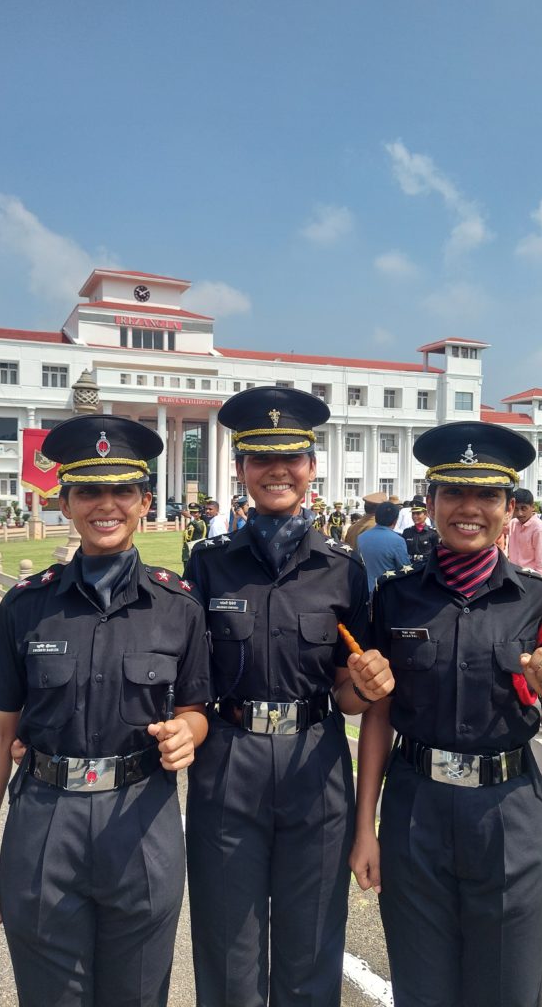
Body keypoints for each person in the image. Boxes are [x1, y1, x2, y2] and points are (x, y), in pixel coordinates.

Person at [0, 415, 212, 1007]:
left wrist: (188, 732)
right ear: (65, 503)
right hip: (46, 818)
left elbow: (197, 707)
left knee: (139, 994)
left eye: (122, 490)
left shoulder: (178, 607)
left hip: (142, 817)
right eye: (88, 491)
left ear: (145, 501)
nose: (106, 505)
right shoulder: (27, 607)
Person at [350, 421, 542, 1007]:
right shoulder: (395, 596)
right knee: (421, 989)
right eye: (453, 493)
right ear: (429, 502)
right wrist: (366, 827)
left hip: (507, 815)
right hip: (416, 813)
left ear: (509, 508)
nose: (469, 508)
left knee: (507, 991)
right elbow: (378, 716)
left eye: (487, 495)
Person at [183, 386, 395, 1007]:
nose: (277, 469)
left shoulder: (344, 569)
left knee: (310, 952)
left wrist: (361, 685)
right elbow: (182, 670)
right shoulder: (207, 564)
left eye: (292, 457)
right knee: (229, 949)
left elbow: (350, 694)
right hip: (228, 760)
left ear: (311, 465)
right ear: (242, 467)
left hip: (315, 763)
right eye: (259, 457)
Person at [358, 500, 411, 593]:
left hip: (367, 591)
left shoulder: (361, 537)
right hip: (388, 592)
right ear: (395, 519)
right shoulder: (398, 540)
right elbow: (405, 569)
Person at [508, 487, 542, 575]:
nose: (519, 513)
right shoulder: (513, 523)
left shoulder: (539, 529)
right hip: (514, 575)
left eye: (524, 508)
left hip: (531, 579)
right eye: (516, 509)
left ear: (533, 507)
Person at [182, 501, 208, 565]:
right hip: (187, 554)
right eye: (191, 512)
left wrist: (191, 518)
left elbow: (199, 528)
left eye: (195, 512)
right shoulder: (191, 523)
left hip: (195, 553)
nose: (192, 514)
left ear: (200, 514)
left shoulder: (201, 523)